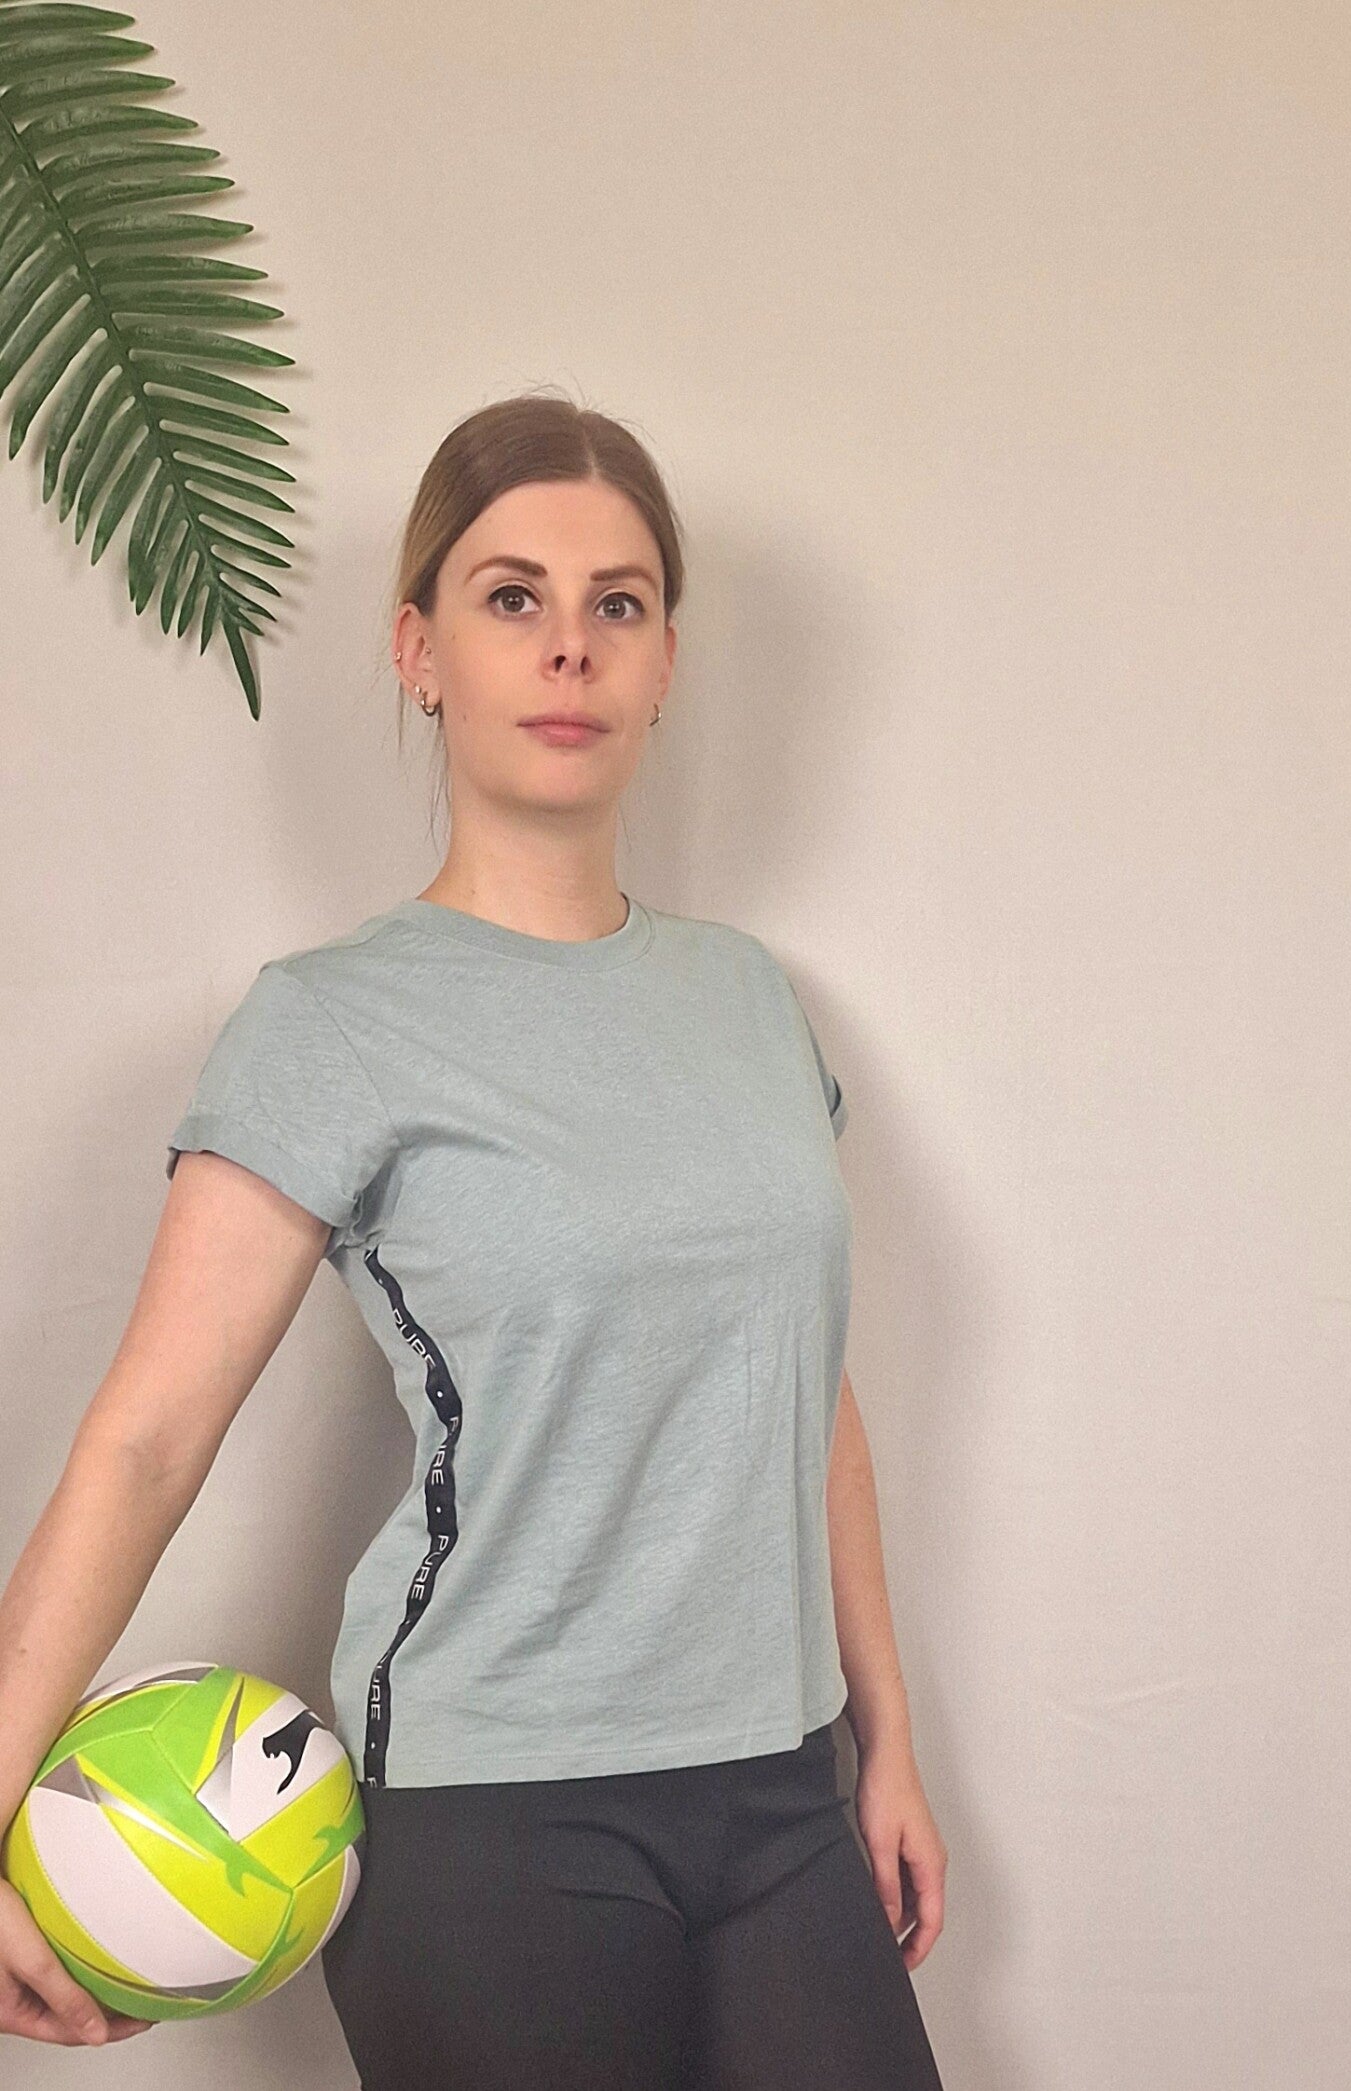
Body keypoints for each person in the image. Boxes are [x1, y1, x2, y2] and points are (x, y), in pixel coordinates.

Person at [0, 391, 948, 2087]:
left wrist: (886, 1738)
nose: (569, 645)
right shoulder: (329, 1025)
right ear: (418, 650)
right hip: (496, 1819)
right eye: (513, 597)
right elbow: (147, 1442)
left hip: (783, 1794)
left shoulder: (748, 999)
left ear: (665, 663)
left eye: (617, 603)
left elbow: (807, 1391)